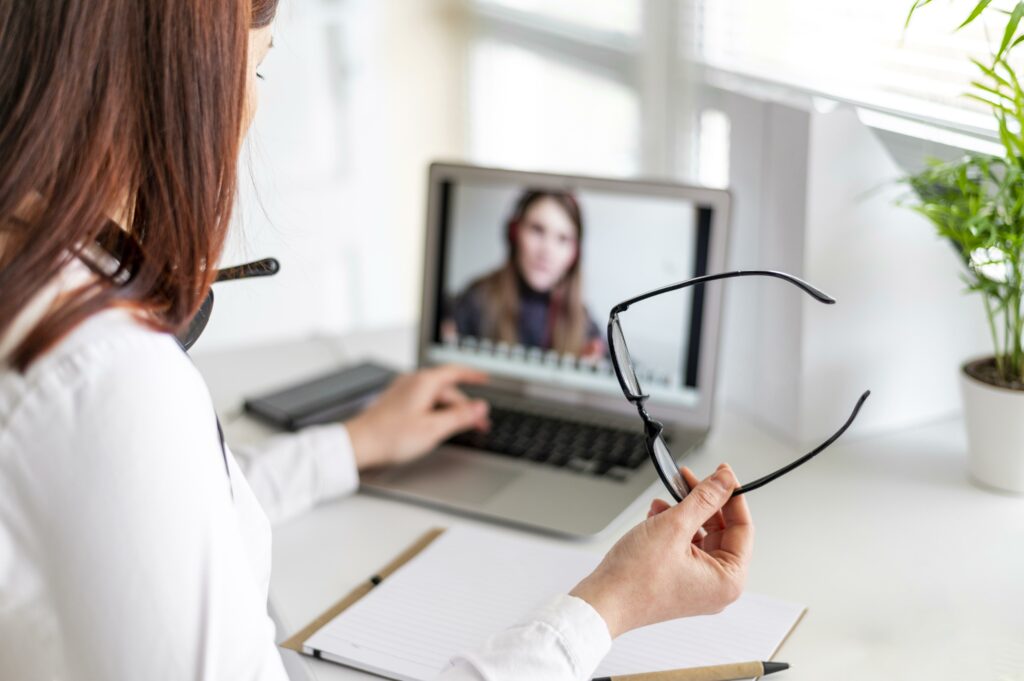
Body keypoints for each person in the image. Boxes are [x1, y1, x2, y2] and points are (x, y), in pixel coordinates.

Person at [0, 2, 754, 680]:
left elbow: (141, 517)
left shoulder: (38, 296)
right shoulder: (104, 375)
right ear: (177, 81)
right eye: (256, 65)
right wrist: (608, 606)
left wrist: (352, 444)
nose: (253, 105)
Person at [445, 190, 606, 360]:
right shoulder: (475, 301)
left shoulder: (584, 324)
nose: (547, 251)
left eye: (563, 239)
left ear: (574, 254)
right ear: (514, 233)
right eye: (537, 230)